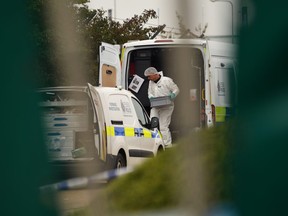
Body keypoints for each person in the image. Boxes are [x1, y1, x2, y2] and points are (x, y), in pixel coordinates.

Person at [144, 67, 180, 147]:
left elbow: (176, 89)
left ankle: (167, 145)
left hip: (167, 106)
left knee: (163, 125)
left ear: (154, 74)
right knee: (152, 124)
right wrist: (151, 97)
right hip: (155, 106)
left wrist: (173, 94)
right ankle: (154, 144)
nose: (148, 78)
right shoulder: (151, 82)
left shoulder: (166, 80)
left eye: (149, 76)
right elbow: (150, 92)